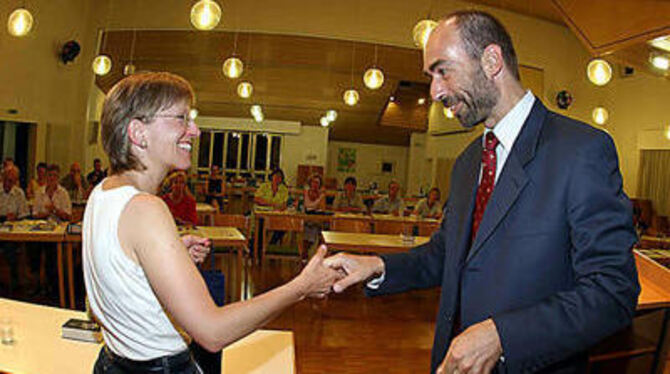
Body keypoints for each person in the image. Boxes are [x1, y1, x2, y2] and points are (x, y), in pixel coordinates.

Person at [324, 11, 639, 374]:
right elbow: (447, 254)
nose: (435, 91)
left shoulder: (581, 150)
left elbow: (612, 291)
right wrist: (376, 266)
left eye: (443, 70)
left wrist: (503, 336)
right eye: (431, 77)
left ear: (491, 61)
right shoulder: (468, 162)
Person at [83, 72, 340, 373]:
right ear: (139, 133)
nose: (195, 130)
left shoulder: (102, 193)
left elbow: (118, 271)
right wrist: (302, 286)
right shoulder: (146, 209)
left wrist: (169, 252)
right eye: (181, 118)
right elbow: (212, 332)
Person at [30, 163, 72, 296]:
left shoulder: (63, 193)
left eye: (55, 176)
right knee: (33, 250)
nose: (52, 178)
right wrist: (46, 213)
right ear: (46, 177)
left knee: (52, 254)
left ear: (58, 177)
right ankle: (36, 283)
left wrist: (55, 210)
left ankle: (52, 286)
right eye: (50, 176)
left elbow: (68, 216)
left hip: (57, 233)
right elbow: (35, 214)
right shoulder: (39, 192)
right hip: (41, 231)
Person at [0, 165, 30, 292]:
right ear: (2, 178)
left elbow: (25, 215)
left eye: (12, 181)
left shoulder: (19, 193)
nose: (9, 184)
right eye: (7, 180)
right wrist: (4, 217)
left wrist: (16, 218)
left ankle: (14, 283)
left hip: (13, 232)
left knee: (12, 249)